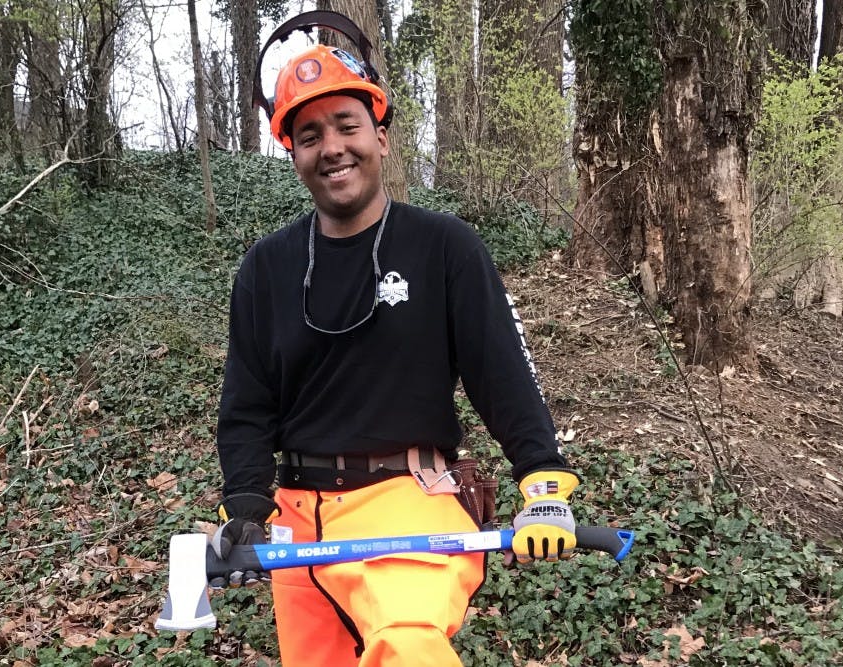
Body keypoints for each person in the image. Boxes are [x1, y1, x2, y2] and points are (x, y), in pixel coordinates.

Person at [213, 15, 581, 667]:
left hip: (409, 505)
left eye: (347, 126)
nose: (332, 148)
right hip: (299, 527)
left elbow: (504, 374)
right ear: (291, 153)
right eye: (309, 135)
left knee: (409, 647)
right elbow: (246, 407)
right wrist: (246, 509)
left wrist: (543, 484)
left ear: (380, 135)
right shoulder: (264, 269)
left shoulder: (444, 247)